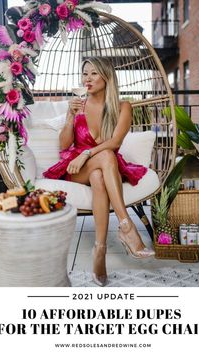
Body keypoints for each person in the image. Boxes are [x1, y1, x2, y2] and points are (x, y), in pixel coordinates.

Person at [43, 57, 155, 286]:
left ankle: (100, 252)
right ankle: (127, 228)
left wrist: (87, 153)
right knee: (103, 158)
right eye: (85, 73)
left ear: (107, 76)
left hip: (103, 165)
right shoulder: (78, 105)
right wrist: (69, 117)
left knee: (99, 174)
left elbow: (115, 142)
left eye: (94, 73)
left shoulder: (123, 107)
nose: (88, 78)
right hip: (76, 167)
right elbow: (64, 146)